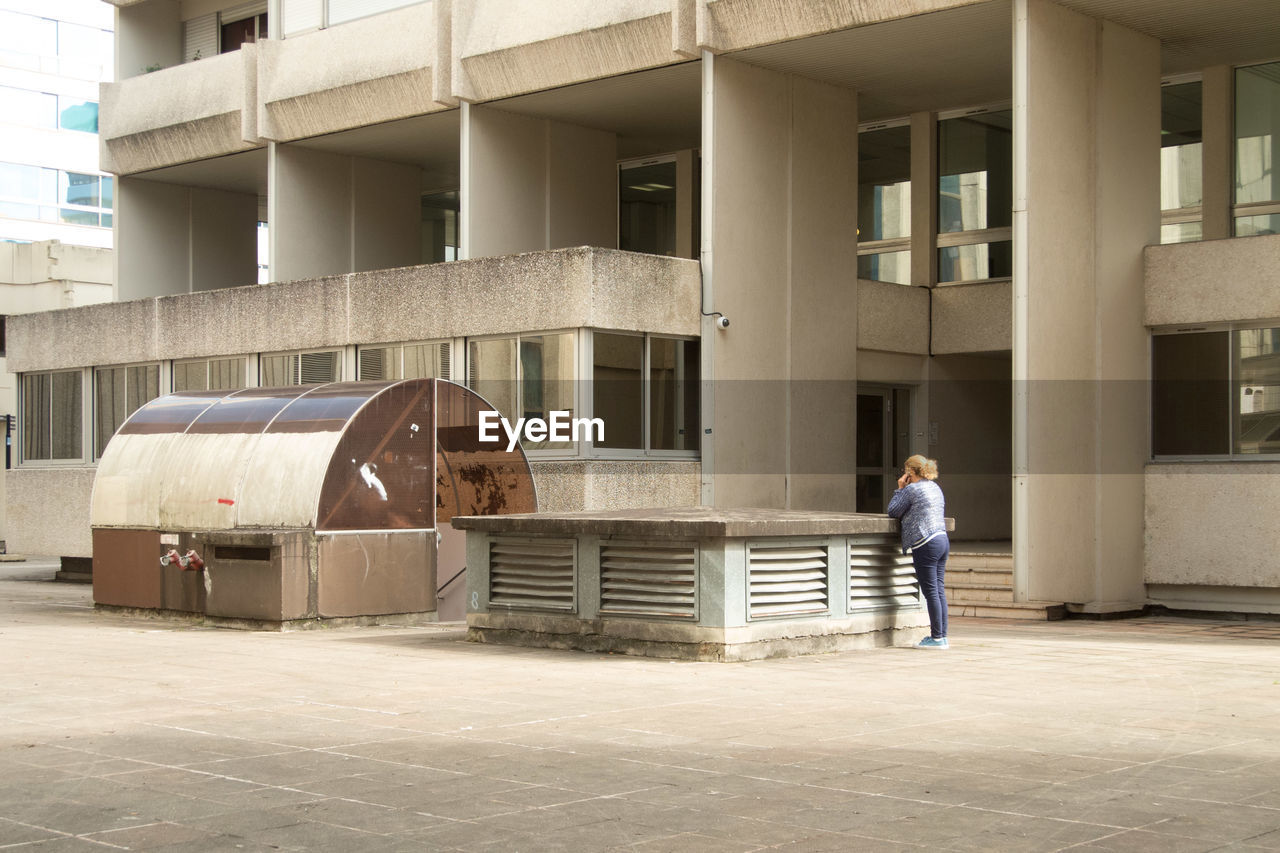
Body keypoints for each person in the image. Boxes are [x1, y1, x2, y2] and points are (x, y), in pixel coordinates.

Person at [886, 454, 949, 649]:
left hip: (925, 542)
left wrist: (899, 488)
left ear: (910, 472)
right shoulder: (935, 487)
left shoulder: (912, 489)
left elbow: (893, 511)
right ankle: (942, 636)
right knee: (939, 590)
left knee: (931, 592)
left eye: (905, 471)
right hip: (942, 539)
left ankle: (936, 639)